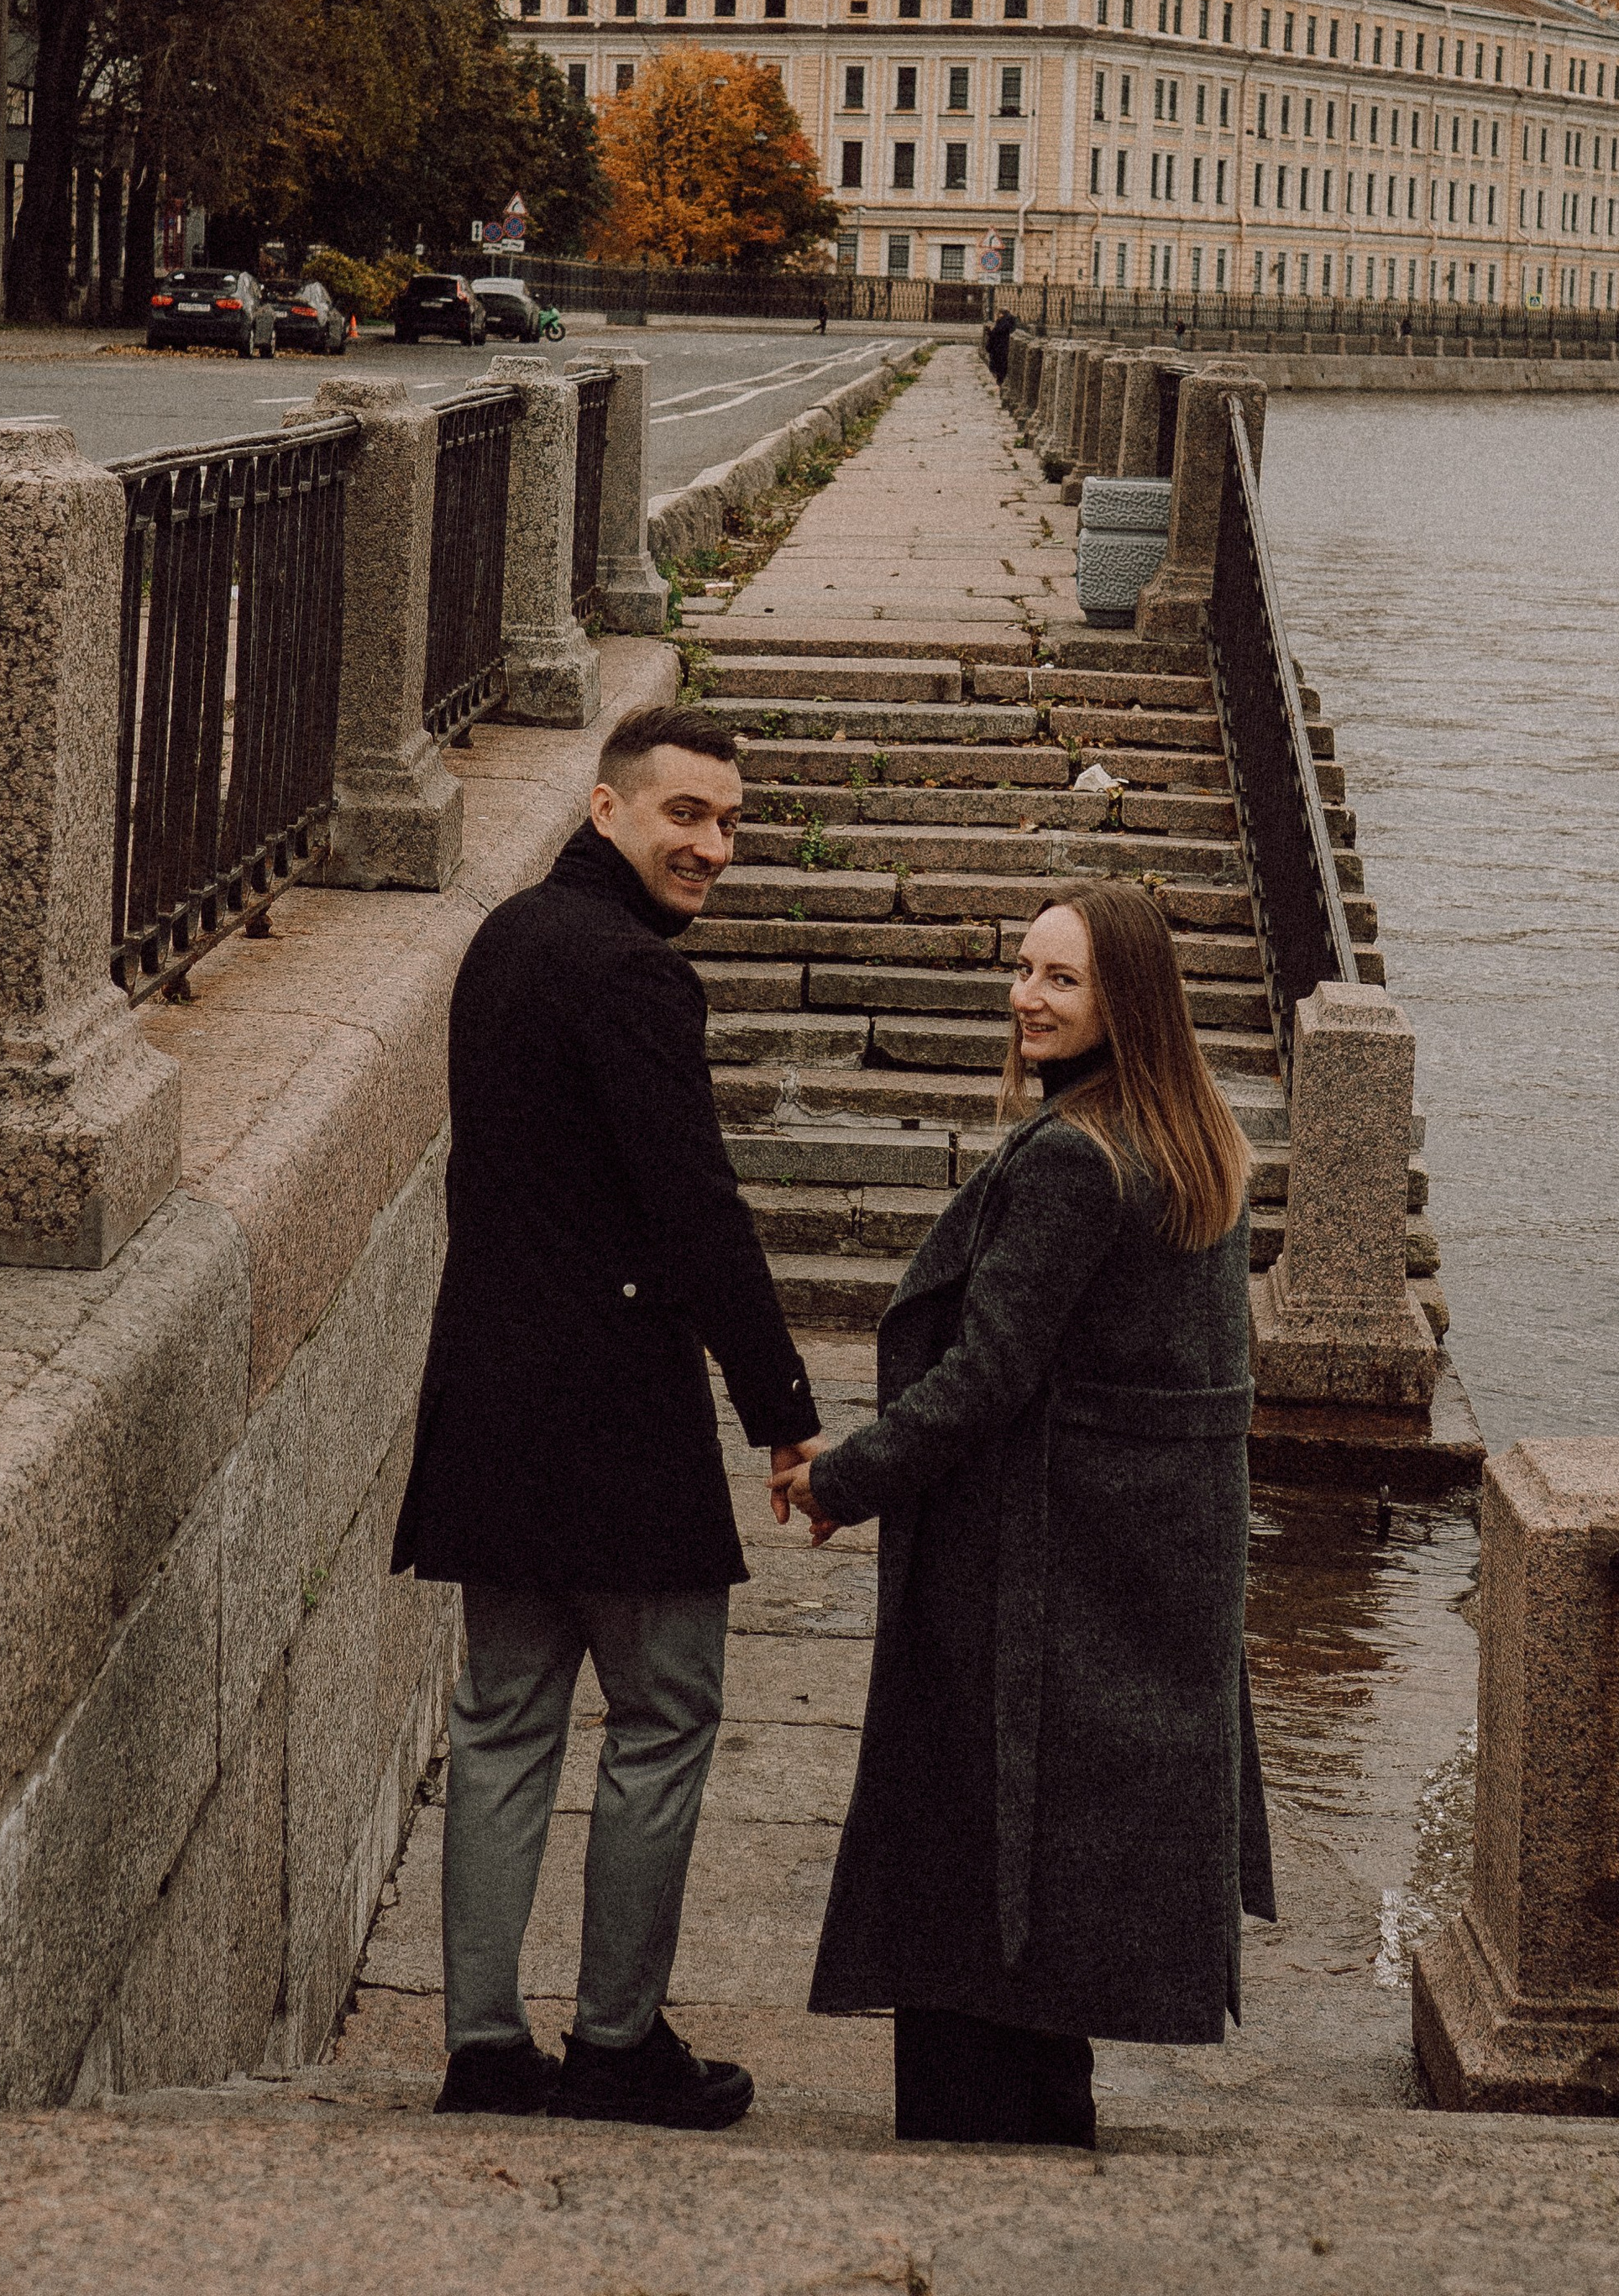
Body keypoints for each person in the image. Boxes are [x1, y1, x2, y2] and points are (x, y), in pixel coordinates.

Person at [780, 879, 1274, 2148]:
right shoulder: (1194, 1139)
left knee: (971, 1878)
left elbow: (985, 1378)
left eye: (1062, 979)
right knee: (1051, 1902)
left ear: (1128, 1003)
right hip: (1126, 1574)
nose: (1027, 1000)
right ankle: (1048, 2133)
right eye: (1023, 969)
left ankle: (976, 2162)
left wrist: (842, 1479)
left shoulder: (1071, 1159)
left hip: (1028, 1570)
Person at [390, 703, 825, 2127]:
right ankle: (619, 2042)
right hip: (614, 1426)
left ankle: (483, 2046)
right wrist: (782, 1408)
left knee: (503, 1723)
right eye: (685, 815)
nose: (714, 847)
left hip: (488, 1409)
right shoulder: (637, 975)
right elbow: (695, 1209)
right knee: (665, 1715)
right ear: (606, 808)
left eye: (731, 822)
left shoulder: (505, 940)